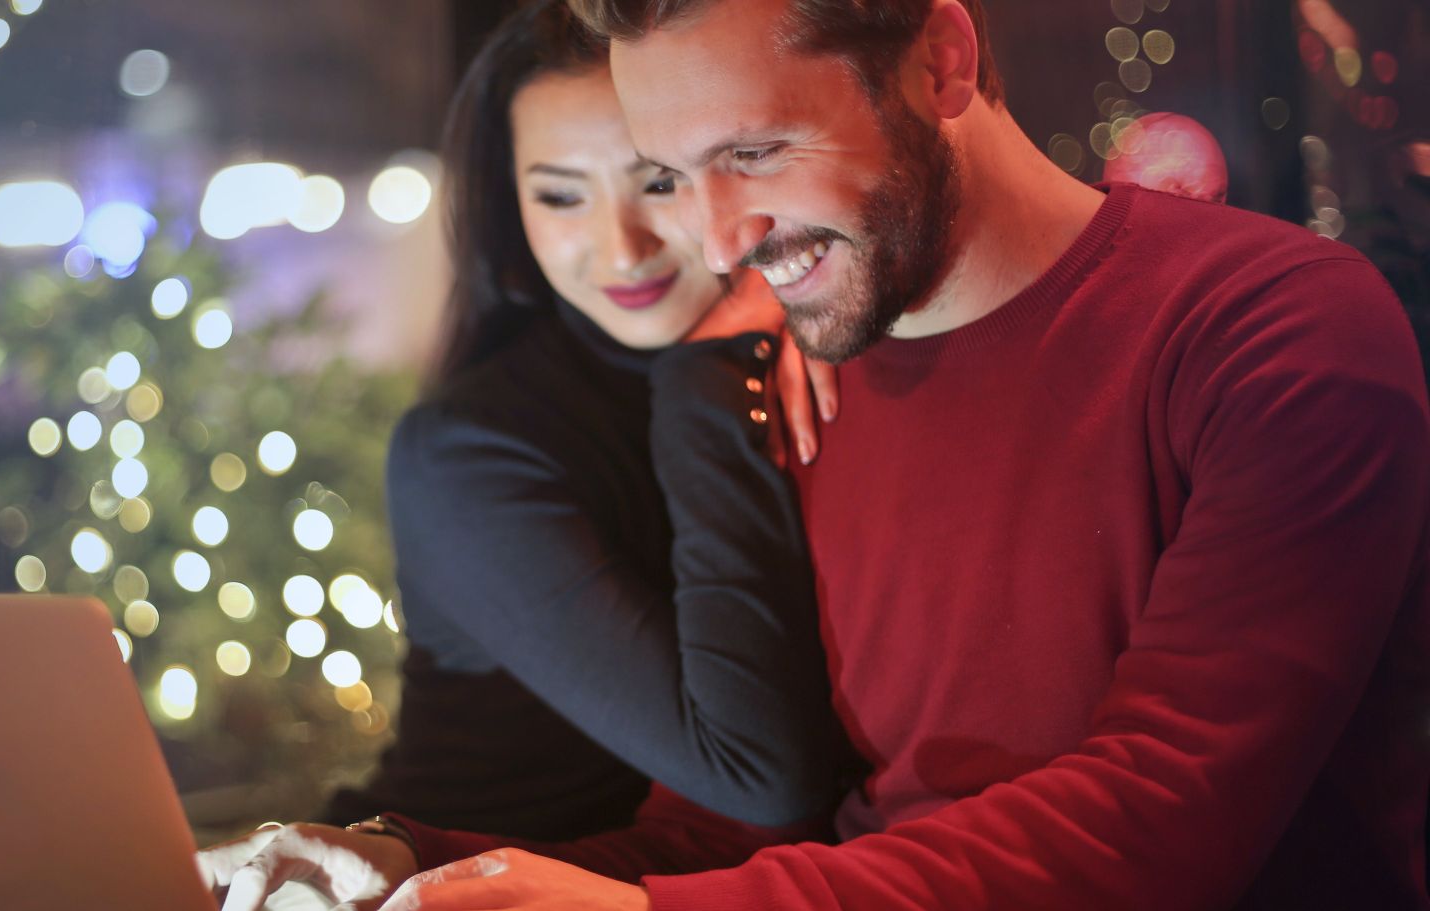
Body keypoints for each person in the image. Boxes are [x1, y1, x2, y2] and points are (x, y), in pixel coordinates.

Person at [211, 0, 1430, 908]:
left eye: (752, 153)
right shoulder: (798, 377)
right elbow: (734, 834)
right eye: (675, 175)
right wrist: (411, 867)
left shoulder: (1271, 327)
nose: (718, 238)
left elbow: (1170, 813)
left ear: (943, 62)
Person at [196, 2, 859, 908]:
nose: (620, 246)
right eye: (559, 194)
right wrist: (718, 361)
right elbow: (755, 773)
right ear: (512, 207)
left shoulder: (801, 355)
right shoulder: (469, 454)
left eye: (656, 182)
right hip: (429, 887)